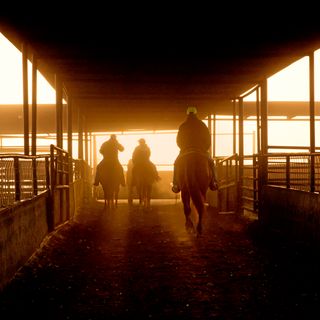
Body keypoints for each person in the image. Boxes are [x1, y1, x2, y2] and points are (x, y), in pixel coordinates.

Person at [171, 106, 218, 193]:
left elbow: (178, 141)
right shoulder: (202, 125)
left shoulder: (183, 125)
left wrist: (183, 148)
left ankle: (176, 184)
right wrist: (204, 148)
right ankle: (214, 182)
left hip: (186, 150)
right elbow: (208, 139)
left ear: (187, 114)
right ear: (196, 114)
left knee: (176, 164)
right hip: (201, 150)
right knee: (211, 163)